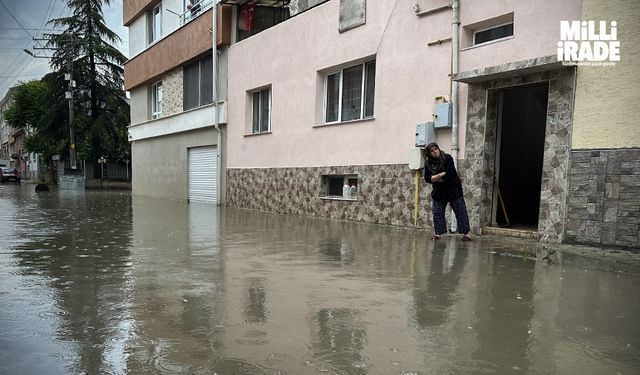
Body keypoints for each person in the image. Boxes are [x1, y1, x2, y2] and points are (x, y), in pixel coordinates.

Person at [423, 142, 472, 241]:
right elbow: (427, 178)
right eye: (432, 151)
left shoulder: (447, 158)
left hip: (453, 189)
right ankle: (438, 234)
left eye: (436, 149)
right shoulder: (428, 162)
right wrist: (441, 175)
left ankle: (466, 234)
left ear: (438, 148)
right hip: (439, 192)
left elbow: (450, 174)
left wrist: (435, 178)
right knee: (437, 212)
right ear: (429, 153)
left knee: (460, 211)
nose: (435, 152)